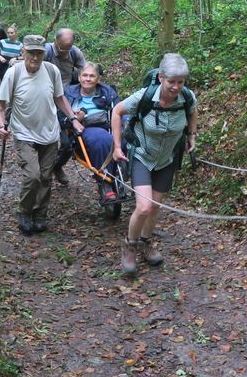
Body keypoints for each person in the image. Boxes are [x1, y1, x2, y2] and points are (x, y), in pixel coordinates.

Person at [111, 53, 198, 277]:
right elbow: (117, 111)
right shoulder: (144, 97)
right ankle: (130, 246)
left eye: (180, 82)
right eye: (172, 82)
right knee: (144, 207)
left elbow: (193, 111)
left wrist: (191, 136)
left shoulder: (186, 98)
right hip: (142, 155)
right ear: (161, 78)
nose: (176, 87)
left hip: (167, 159)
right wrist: (117, 147)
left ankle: (146, 243)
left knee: (155, 207)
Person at [0, 35, 84, 235]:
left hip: (49, 133)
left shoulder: (52, 71)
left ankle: (40, 215)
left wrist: (73, 119)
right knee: (33, 175)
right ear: (23, 51)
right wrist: (1, 126)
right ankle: (25, 212)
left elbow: (60, 98)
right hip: (24, 132)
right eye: (31, 52)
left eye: (39, 53)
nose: (35, 57)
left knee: (45, 176)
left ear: (44, 53)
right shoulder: (14, 73)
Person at [59, 62, 121, 197]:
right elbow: (60, 119)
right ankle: (105, 182)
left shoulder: (107, 91)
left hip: (108, 125)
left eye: (92, 76)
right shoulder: (68, 93)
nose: (88, 79)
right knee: (102, 138)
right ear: (79, 77)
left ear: (98, 79)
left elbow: (120, 110)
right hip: (84, 130)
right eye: (85, 75)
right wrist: (74, 119)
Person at [45, 28, 87, 185]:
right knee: (45, 141)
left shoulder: (74, 52)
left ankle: (56, 167)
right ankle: (41, 172)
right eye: (62, 48)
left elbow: (86, 70)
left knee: (68, 144)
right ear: (55, 41)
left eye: (68, 49)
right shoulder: (46, 51)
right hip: (45, 100)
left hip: (66, 100)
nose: (64, 52)